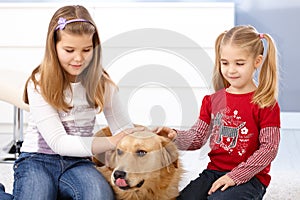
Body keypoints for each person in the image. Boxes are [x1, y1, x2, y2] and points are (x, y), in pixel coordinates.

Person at [0, 5, 141, 200]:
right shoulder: (39, 83)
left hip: (78, 162)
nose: (78, 58)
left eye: (86, 50)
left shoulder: (103, 84)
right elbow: (58, 142)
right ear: (54, 47)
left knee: (99, 195)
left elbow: (124, 130)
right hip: (37, 159)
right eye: (69, 50)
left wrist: (149, 137)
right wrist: (110, 142)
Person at [154, 25, 280, 200]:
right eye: (225, 63)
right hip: (214, 172)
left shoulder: (266, 103)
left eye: (239, 63)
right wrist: (174, 136)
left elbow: (269, 149)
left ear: (257, 62)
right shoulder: (212, 101)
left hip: (250, 178)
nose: (230, 70)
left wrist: (235, 176)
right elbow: (197, 137)